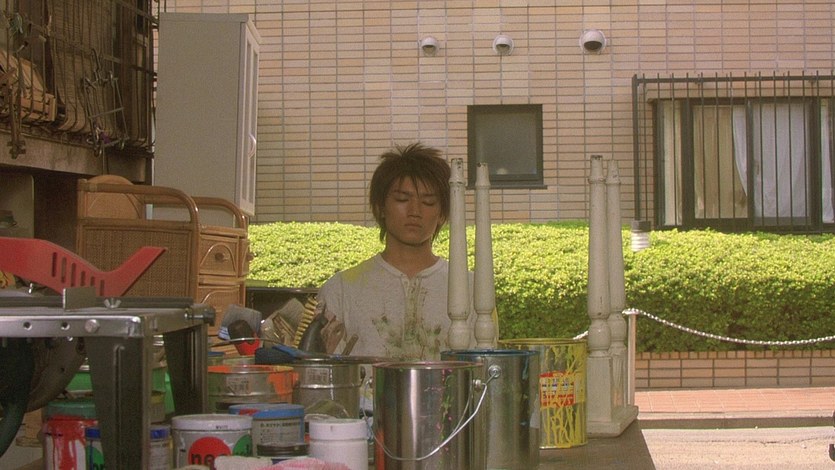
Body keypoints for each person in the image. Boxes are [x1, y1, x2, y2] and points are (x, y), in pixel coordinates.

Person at [314, 142, 475, 360]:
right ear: (380, 207)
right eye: (402, 199)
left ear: (443, 214)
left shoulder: (470, 289)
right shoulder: (341, 290)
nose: (415, 211)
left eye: (428, 202)